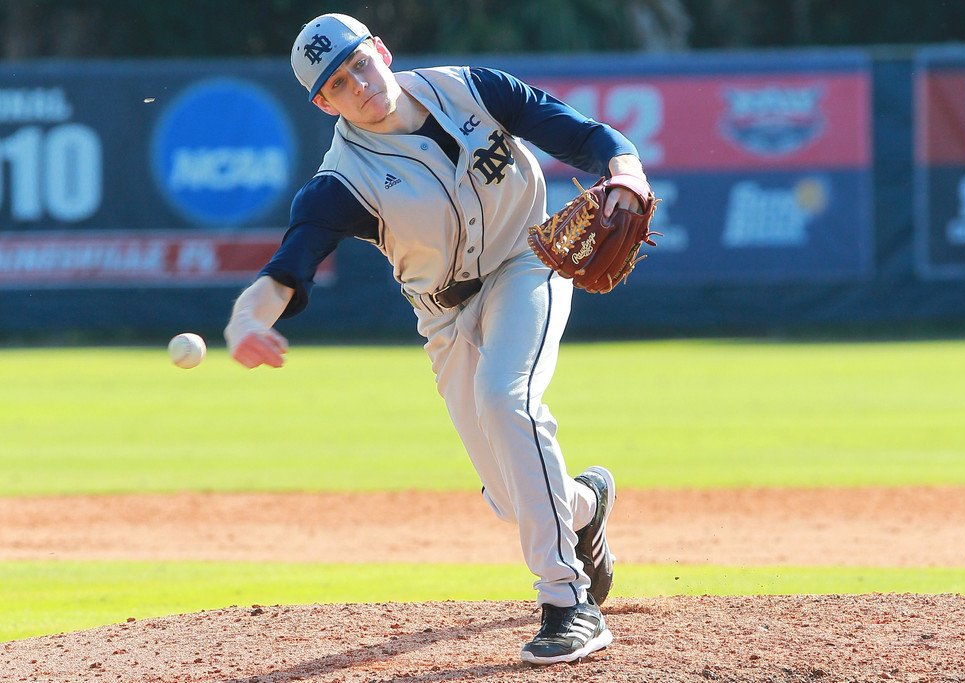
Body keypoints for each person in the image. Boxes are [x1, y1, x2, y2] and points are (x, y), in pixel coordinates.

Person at [224, 12, 651, 666]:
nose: (360, 83)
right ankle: (587, 504)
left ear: (382, 50)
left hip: (527, 261)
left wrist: (625, 167)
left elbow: (585, 135)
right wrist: (247, 319)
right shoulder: (342, 182)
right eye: (339, 82)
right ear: (324, 102)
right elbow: (288, 266)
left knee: (505, 398)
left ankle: (569, 604)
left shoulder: (472, 89)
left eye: (360, 62)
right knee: (514, 496)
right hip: (444, 316)